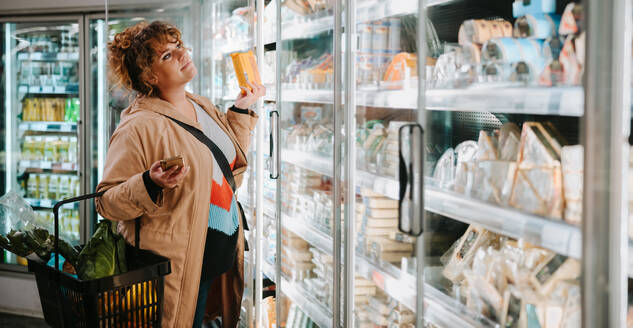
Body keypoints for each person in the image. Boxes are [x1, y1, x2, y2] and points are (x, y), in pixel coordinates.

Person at [95, 20, 265, 328]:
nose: (182, 54)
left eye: (178, 47)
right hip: (179, 269)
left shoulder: (200, 105)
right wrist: (149, 183)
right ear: (149, 75)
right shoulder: (138, 127)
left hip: (215, 261)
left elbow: (224, 168)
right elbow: (106, 202)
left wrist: (241, 109)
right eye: (167, 56)